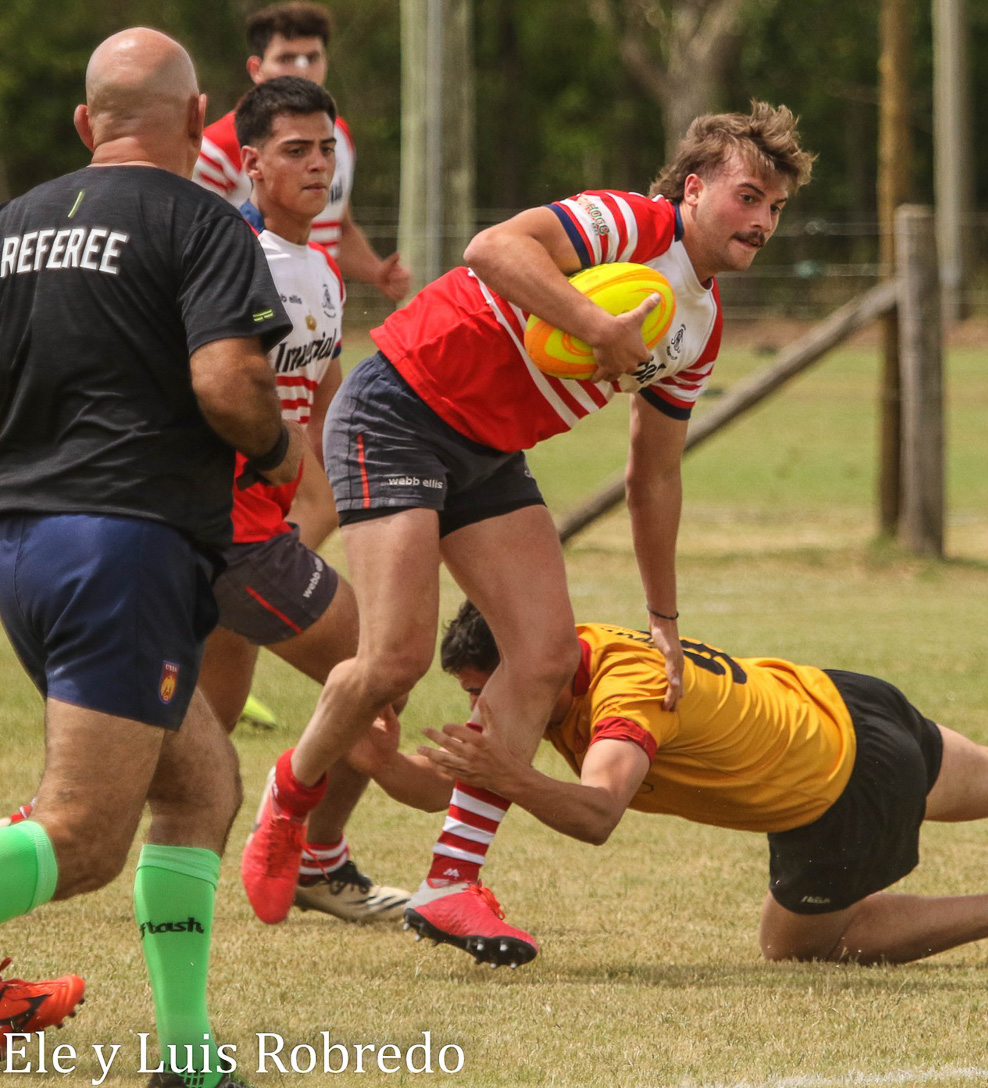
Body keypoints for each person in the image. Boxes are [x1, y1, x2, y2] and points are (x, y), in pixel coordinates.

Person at [240, 104, 813, 965]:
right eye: (749, 197)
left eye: (775, 208)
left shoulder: (702, 326)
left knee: (546, 657)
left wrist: (664, 618)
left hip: (488, 453)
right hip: (398, 407)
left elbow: (653, 475)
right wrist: (596, 328)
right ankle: (289, 798)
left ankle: (450, 885)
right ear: (695, 190)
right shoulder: (632, 222)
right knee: (393, 658)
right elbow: (492, 249)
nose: (763, 221)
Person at [0, 27, 302, 1088]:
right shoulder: (199, 218)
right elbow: (229, 381)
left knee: (201, 779)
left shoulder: (12, 226)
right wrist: (277, 446)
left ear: (87, 124)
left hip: (28, 549)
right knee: (85, 839)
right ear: (196, 116)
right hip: (122, 545)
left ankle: (188, 1056)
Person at [346, 602, 988, 966]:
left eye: (479, 694)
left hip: (840, 786)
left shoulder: (627, 693)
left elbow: (600, 812)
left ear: (521, 672)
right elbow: (457, 784)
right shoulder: (550, 647)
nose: (481, 710)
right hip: (842, 703)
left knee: (797, 945)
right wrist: (388, 766)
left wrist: (509, 772)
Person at [195, 74, 409, 924]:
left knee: (193, 738)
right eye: (295, 151)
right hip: (224, 534)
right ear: (249, 163)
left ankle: (49, 830)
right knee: (381, 671)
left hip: (261, 533)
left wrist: (323, 511)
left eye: (326, 149)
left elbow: (315, 413)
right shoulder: (220, 257)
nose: (318, 164)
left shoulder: (323, 272)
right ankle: (314, 854)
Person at [193, 2, 411, 302]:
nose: (302, 69)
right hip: (248, 315)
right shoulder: (216, 147)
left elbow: (338, 227)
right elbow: (194, 248)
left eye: (312, 57)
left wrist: (377, 271)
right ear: (256, 68)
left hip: (318, 310)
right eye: (286, 58)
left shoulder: (339, 137)